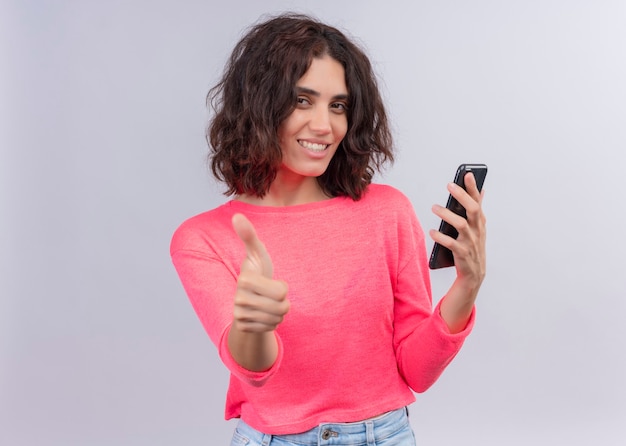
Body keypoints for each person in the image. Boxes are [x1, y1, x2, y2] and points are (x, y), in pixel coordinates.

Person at [170, 12, 486, 446]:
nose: (325, 125)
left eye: (338, 105)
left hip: (385, 435)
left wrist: (468, 286)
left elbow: (416, 371)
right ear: (259, 104)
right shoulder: (203, 239)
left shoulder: (387, 212)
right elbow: (254, 371)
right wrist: (256, 326)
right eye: (302, 100)